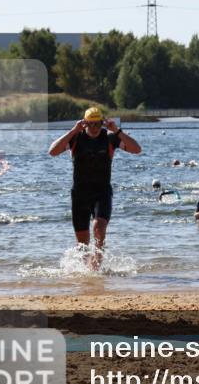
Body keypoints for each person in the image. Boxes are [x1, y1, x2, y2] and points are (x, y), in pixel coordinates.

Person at [48, 107, 141, 269]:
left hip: (102, 192)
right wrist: (72, 131)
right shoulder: (76, 138)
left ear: (102, 123)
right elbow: (52, 151)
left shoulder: (111, 138)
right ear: (84, 124)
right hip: (80, 194)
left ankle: (96, 267)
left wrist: (117, 130)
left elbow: (136, 149)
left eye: (97, 124)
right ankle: (86, 272)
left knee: (99, 228)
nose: (94, 128)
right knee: (82, 241)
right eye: (90, 124)